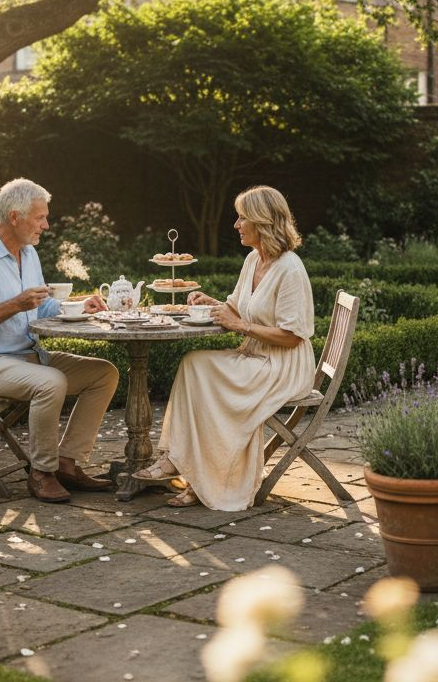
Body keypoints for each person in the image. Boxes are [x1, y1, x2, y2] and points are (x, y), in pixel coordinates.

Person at [134, 185, 315, 510]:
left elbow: (293, 335)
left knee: (209, 381)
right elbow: (237, 309)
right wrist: (212, 303)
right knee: (193, 364)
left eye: (242, 217)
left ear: (261, 222)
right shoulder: (252, 259)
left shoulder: (290, 269)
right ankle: (179, 461)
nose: (236, 224)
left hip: (283, 365)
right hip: (255, 356)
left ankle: (200, 480)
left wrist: (241, 325)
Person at [0, 178, 118, 503]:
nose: (46, 224)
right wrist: (15, 305)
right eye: (40, 217)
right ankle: (41, 473)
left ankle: (67, 463)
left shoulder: (29, 254)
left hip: (27, 356)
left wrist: (80, 305)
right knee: (51, 382)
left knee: (104, 373)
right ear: (15, 217)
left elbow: (41, 306)